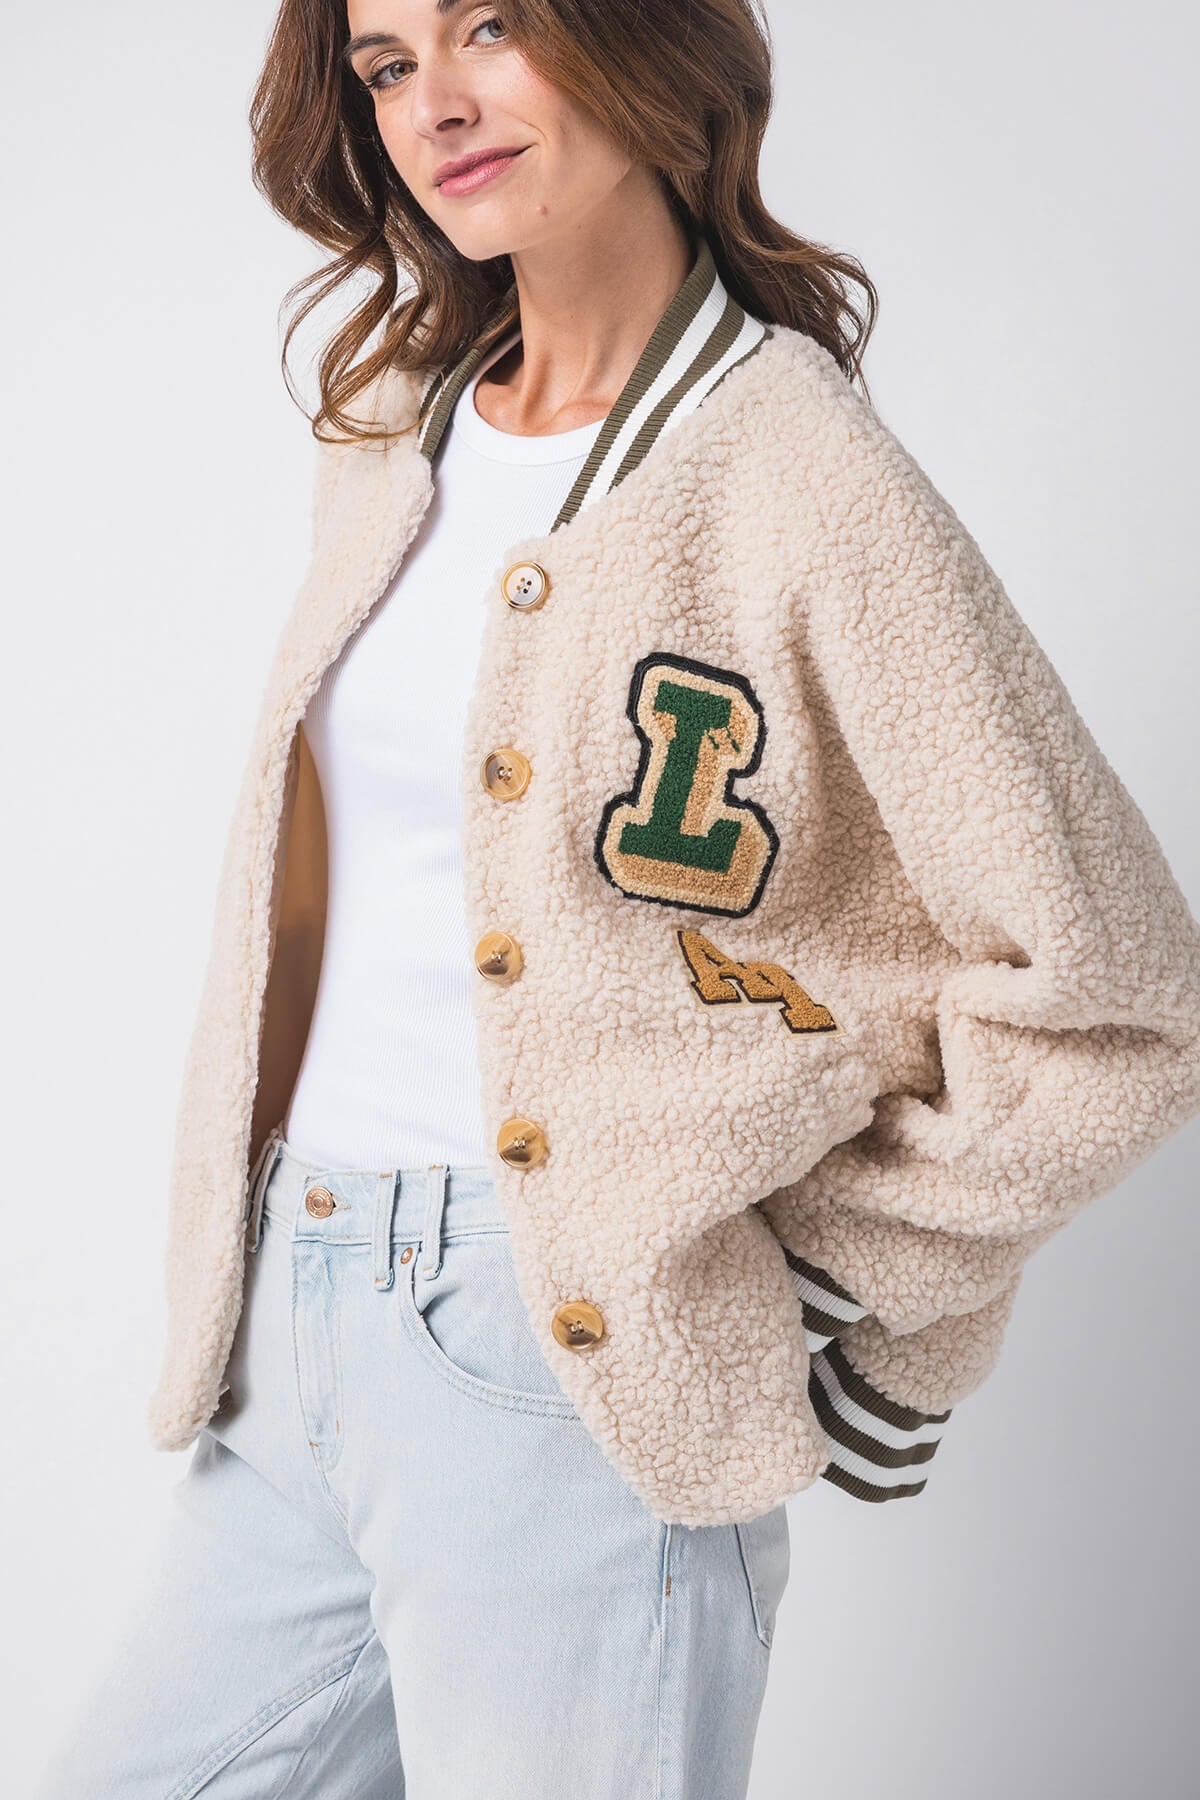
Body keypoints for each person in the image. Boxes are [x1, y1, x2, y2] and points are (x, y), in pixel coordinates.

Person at [40, 1, 1200, 1796]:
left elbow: (1121, 996)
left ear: (637, 41)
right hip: (293, 1326)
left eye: (492, 26)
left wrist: (812, 1294)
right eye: (385, 63)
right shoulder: (393, 432)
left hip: (564, 1364)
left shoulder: (797, 466)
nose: (435, 103)